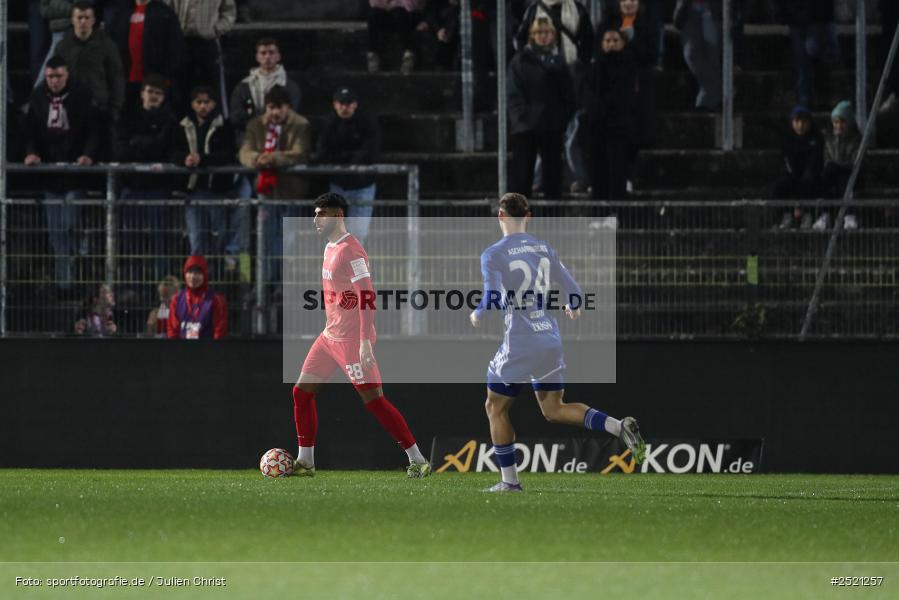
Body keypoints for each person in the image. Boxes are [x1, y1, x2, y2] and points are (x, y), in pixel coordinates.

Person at [469, 193, 646, 492]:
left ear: (500, 216)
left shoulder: (493, 253)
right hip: (549, 338)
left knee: (495, 407)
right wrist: (572, 305)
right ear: (530, 216)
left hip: (521, 342)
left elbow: (493, 296)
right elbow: (573, 289)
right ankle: (618, 426)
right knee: (553, 408)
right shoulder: (544, 248)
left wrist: (478, 313)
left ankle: (509, 482)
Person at [291, 192, 432, 478]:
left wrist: (365, 342)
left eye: (322, 213)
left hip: (351, 341)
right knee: (301, 393)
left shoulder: (350, 250)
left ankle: (418, 459)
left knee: (374, 401)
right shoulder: (330, 247)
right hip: (329, 337)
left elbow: (367, 294)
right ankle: (305, 461)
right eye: (315, 213)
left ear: (338, 215)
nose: (315, 219)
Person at [24, 55, 98, 295]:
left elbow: (92, 129)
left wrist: (88, 155)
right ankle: (65, 284)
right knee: (56, 233)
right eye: (50, 76)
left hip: (75, 174)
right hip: (51, 176)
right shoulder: (37, 98)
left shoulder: (82, 96)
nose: (54, 81)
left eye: (58, 76)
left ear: (67, 75)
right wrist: (32, 153)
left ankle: (81, 276)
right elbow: (31, 131)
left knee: (70, 225)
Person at [238, 86, 311, 287]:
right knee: (267, 241)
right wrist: (257, 159)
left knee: (289, 242)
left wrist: (273, 158)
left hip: (291, 194)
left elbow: (300, 152)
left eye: (279, 107)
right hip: (266, 194)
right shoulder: (255, 125)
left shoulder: (300, 125)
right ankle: (267, 284)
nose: (275, 112)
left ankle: (284, 286)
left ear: (288, 107)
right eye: (271, 107)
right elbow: (245, 152)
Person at [117, 74, 178, 288]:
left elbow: (166, 148)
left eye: (158, 93)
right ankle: (133, 286)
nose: (153, 96)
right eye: (150, 91)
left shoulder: (170, 120)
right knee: (130, 240)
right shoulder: (128, 116)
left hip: (158, 188)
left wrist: (139, 143)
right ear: (142, 92)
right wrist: (150, 144)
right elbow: (121, 149)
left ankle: (161, 288)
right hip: (132, 186)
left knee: (160, 241)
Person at [507, 16, 575, 199]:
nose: (543, 36)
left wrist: (560, 118)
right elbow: (514, 93)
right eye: (539, 32)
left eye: (547, 32)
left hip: (552, 126)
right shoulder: (520, 61)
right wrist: (524, 117)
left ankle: (552, 223)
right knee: (522, 178)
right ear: (532, 35)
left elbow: (568, 95)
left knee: (553, 178)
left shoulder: (559, 62)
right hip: (525, 128)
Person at [170, 86, 238, 259]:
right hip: (192, 191)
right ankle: (197, 279)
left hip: (216, 190)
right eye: (199, 102)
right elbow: (172, 151)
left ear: (214, 103)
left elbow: (229, 154)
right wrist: (184, 159)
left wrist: (203, 159)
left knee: (219, 236)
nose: (203, 106)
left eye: (206, 102)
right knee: (196, 238)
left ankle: (220, 277)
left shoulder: (224, 125)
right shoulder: (182, 124)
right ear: (192, 104)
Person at [55, 1, 125, 160]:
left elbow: (117, 78)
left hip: (100, 111)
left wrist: (114, 109)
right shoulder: (62, 47)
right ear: (72, 20)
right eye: (79, 17)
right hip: (71, 112)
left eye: (87, 17)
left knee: (101, 157)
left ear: (94, 20)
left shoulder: (107, 45)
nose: (83, 22)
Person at [315, 86, 382, 244]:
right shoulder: (329, 123)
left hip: (362, 184)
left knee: (358, 233)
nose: (344, 108)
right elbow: (323, 152)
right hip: (338, 184)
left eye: (348, 103)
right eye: (341, 103)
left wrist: (348, 159)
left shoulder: (367, 121)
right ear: (335, 104)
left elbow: (371, 150)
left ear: (355, 104)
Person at [580, 26, 638, 201]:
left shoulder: (629, 68)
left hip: (620, 129)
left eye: (615, 40)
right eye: (607, 41)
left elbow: (627, 97)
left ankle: (617, 215)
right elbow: (586, 95)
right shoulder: (593, 68)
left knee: (618, 172)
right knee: (598, 171)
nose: (611, 44)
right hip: (597, 128)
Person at [105, 0, 182, 118]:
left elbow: (174, 46)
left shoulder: (164, 12)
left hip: (154, 79)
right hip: (126, 78)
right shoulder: (121, 11)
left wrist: (165, 75)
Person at [168, 0, 236, 117]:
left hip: (207, 42)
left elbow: (229, 13)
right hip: (181, 41)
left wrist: (215, 30)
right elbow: (167, 10)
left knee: (212, 88)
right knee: (180, 87)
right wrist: (172, 30)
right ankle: (181, 126)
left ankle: (216, 126)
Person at [229, 37, 302, 145]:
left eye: (271, 53)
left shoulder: (290, 86)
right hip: (250, 143)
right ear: (257, 57)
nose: (267, 57)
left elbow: (293, 115)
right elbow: (235, 117)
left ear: (278, 56)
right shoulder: (244, 86)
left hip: (282, 143)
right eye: (263, 53)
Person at [779, 0, 838, 108]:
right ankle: (807, 98)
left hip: (817, 16)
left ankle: (816, 97)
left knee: (816, 57)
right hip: (801, 16)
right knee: (803, 62)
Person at [773, 106, 824, 230]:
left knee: (810, 181)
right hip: (792, 174)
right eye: (797, 122)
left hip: (811, 174)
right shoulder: (787, 138)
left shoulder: (817, 138)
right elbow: (785, 160)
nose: (800, 126)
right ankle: (786, 214)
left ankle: (808, 214)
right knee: (781, 184)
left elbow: (816, 160)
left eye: (804, 122)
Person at [817, 100, 861, 230]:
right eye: (836, 122)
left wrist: (838, 166)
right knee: (828, 174)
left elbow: (856, 162)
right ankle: (824, 214)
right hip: (832, 176)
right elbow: (827, 160)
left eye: (842, 122)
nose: (839, 126)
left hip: (852, 176)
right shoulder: (829, 140)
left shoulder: (857, 140)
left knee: (841, 176)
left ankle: (849, 214)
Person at [674, 0, 722, 110]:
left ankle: (708, 99)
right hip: (691, 8)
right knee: (691, 54)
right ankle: (720, 88)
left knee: (712, 54)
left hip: (713, 10)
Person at [166, 255, 228, 339]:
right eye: (189, 272)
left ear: (205, 274)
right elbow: (172, 331)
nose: (193, 276)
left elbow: (219, 333)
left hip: (207, 350)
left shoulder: (216, 300)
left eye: (197, 272)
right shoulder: (177, 299)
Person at [367, 0, 426, 74]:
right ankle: (372, 54)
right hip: (389, 12)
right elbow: (375, 3)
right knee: (374, 14)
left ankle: (409, 53)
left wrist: (395, 4)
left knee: (399, 12)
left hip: (410, 14)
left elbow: (413, 6)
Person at [33, 0, 73, 88]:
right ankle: (36, 97)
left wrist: (55, 5)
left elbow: (80, 8)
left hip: (74, 29)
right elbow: (44, 10)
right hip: (57, 31)